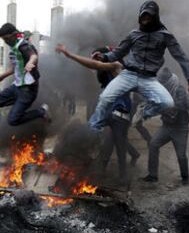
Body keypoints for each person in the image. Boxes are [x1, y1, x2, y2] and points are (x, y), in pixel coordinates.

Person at [90, 0, 189, 131]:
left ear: (156, 16)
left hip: (148, 79)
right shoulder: (133, 35)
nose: (145, 18)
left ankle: (143, 112)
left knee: (167, 103)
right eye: (143, 15)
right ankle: (93, 128)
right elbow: (118, 52)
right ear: (139, 16)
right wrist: (104, 57)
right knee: (105, 98)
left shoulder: (166, 36)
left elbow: (181, 58)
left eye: (149, 15)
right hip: (128, 75)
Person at [56, 44, 140, 181]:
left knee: (119, 146)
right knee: (99, 139)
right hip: (109, 113)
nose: (95, 61)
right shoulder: (105, 74)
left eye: (97, 57)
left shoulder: (116, 66)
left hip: (120, 114)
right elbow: (93, 66)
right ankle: (94, 170)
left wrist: (70, 55)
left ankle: (123, 178)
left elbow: (96, 65)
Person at [141, 68, 189, 184]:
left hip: (180, 128)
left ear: (169, 81)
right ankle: (153, 175)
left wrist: (166, 104)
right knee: (153, 144)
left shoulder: (179, 89)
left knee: (181, 155)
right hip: (167, 126)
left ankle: (185, 177)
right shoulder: (162, 90)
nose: (161, 84)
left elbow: (183, 105)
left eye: (163, 82)